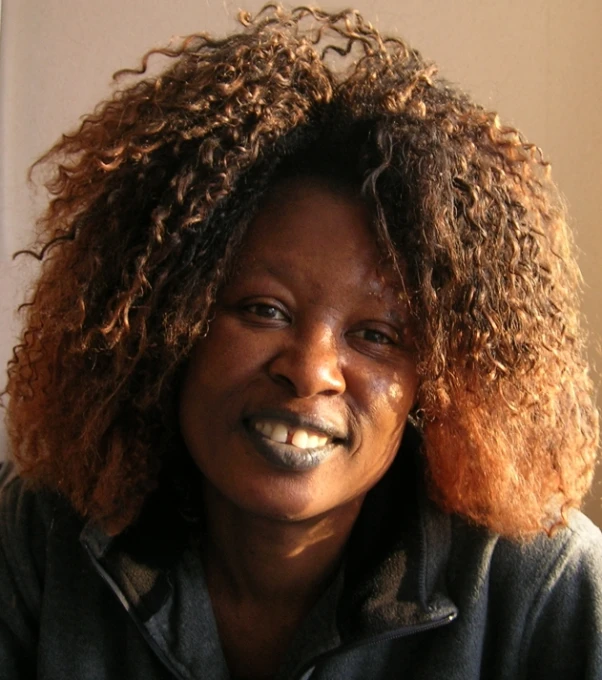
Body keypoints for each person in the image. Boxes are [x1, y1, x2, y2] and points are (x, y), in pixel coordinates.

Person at [1, 5, 601, 679]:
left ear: (433, 378)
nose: (311, 371)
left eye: (375, 335)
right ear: (166, 323)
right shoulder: (37, 541)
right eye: (264, 310)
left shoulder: (541, 592)